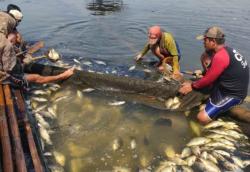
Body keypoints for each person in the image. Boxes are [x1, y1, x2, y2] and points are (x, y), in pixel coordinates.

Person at [179, 26, 249, 124]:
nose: (203, 42)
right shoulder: (226, 50)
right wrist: (203, 72)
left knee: (201, 117)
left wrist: (192, 86)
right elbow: (214, 73)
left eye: (205, 40)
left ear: (213, 41)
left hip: (233, 95)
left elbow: (208, 79)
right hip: (224, 86)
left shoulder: (220, 57)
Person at [1, 4, 74, 86]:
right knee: (35, 77)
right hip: (4, 75)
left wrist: (20, 58)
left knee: (20, 60)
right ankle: (63, 76)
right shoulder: (6, 43)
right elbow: (10, 70)